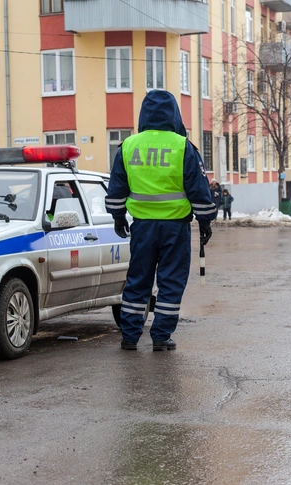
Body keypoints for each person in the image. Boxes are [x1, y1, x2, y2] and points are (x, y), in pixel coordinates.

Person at [105, 90, 215, 351]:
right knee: (171, 281)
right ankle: (161, 335)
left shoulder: (128, 145)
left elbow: (117, 187)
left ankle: (129, 335)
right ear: (174, 114)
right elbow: (198, 188)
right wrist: (206, 220)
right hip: (175, 228)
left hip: (142, 226)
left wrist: (118, 216)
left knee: (138, 279)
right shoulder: (182, 146)